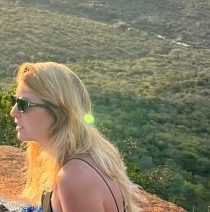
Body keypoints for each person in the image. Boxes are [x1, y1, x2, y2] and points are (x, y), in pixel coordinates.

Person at [12, 62, 143, 212]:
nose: (13, 112)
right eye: (15, 101)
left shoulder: (74, 178)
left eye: (23, 104)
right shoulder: (81, 158)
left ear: (58, 113)